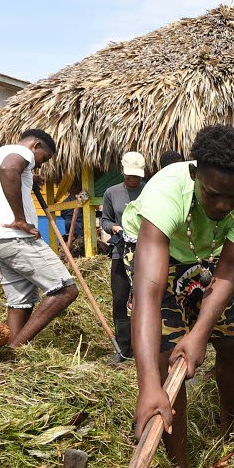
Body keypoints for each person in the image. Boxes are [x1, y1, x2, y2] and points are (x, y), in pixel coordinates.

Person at [124, 125, 234, 468]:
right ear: (195, 175)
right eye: (213, 194)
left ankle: (229, 428)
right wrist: (148, 386)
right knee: (168, 355)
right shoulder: (166, 190)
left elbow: (228, 269)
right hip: (158, 255)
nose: (222, 206)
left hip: (207, 258)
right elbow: (149, 291)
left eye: (232, 198)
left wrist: (201, 332)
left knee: (233, 340)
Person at [0, 130, 79, 347]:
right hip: (16, 238)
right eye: (44, 158)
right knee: (65, 290)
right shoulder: (22, 152)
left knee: (20, 302)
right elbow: (9, 168)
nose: (40, 164)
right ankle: (16, 346)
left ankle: (10, 354)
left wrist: (28, 178)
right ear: (36, 146)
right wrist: (20, 220)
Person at [100, 151, 148, 362]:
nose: (133, 179)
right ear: (122, 171)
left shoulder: (150, 191)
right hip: (121, 253)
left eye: (137, 176)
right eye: (130, 175)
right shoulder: (111, 192)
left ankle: (146, 347)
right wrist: (115, 228)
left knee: (145, 300)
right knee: (120, 300)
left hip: (146, 255)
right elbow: (105, 221)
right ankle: (124, 349)